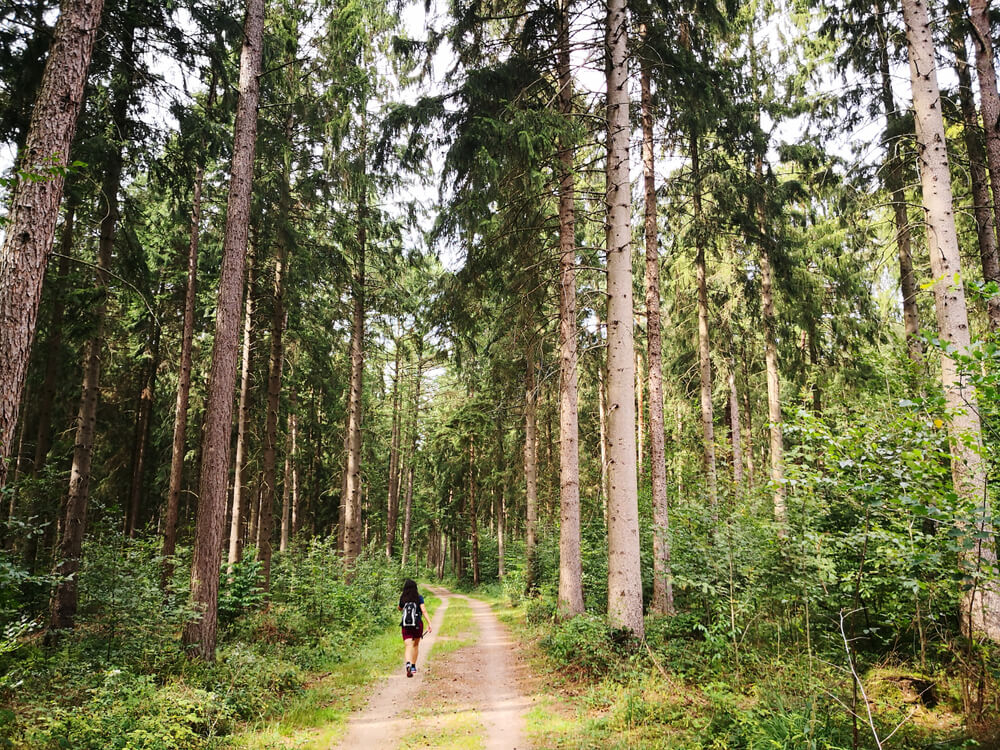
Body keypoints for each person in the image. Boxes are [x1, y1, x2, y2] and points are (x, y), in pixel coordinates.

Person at [398, 578, 431, 677]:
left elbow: (399, 608)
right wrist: (429, 623)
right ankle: (413, 666)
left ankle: (407, 662)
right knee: (415, 645)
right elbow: (424, 611)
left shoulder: (403, 598)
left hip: (406, 625)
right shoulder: (419, 597)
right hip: (417, 624)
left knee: (408, 646)